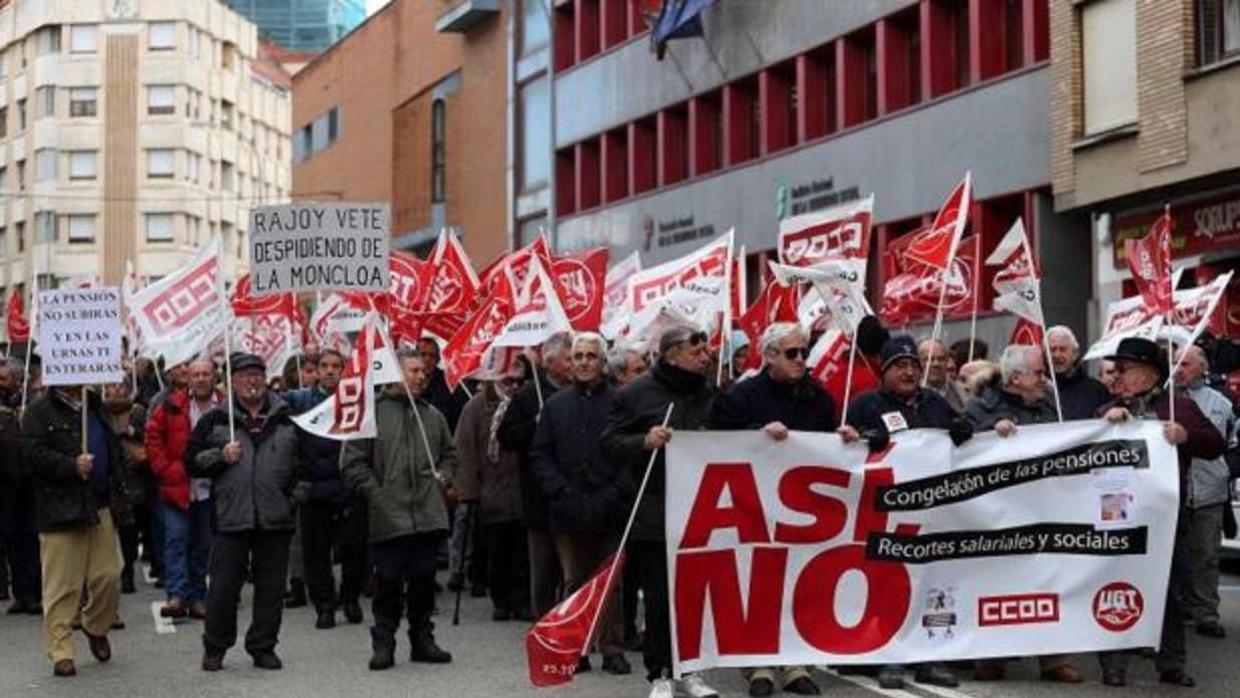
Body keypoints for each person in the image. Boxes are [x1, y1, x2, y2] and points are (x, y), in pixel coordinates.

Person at [709, 322, 834, 697]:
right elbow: (717, 441)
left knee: (798, 581)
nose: (802, 360)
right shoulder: (741, 396)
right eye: (793, 353)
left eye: (804, 352)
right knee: (757, 581)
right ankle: (758, 664)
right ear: (770, 356)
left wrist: (845, 438)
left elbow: (828, 446)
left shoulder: (820, 398)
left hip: (802, 507)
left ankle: (794, 662)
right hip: (752, 506)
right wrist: (756, 432)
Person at [1096, 337, 1225, 688]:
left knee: (1167, 592)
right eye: (1116, 369)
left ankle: (1171, 663)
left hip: (1165, 519)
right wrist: (1106, 423)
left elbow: (1214, 444)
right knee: (1116, 589)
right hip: (1118, 520)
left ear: (1150, 373)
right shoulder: (1108, 409)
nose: (1117, 376)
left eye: (1125, 369)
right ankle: (1114, 664)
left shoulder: (1178, 407)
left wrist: (1186, 436)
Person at [602, 324, 720, 698]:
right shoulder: (636, 393)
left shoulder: (709, 392)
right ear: (672, 354)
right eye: (696, 350)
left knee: (694, 595)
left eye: (706, 350)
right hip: (654, 510)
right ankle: (661, 673)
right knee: (658, 597)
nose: (705, 356)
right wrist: (644, 440)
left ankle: (693, 671)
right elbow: (609, 442)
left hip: (701, 508)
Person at [845, 335, 968, 690]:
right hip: (884, 512)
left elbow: (961, 438)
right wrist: (863, 438)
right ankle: (888, 655)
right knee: (889, 585)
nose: (909, 371)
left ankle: (930, 656)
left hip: (931, 513)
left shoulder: (934, 403)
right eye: (900, 366)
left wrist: (962, 431)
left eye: (914, 365)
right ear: (883, 372)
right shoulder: (866, 404)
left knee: (931, 584)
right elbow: (842, 446)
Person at [962, 345, 1084, 684]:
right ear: (1016, 378)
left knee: (1049, 581)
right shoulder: (979, 408)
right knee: (996, 584)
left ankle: (1054, 659)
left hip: (1043, 510)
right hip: (996, 514)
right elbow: (960, 447)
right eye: (1039, 374)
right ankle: (991, 656)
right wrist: (989, 429)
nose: (1045, 380)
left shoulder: (1049, 408)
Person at [341, 349, 456, 671]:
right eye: (414, 370)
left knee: (423, 580)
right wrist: (377, 494)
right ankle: (384, 642)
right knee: (388, 581)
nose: (421, 376)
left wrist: (442, 477)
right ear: (395, 372)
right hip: (388, 516)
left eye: (423, 371)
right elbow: (352, 463)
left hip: (428, 515)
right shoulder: (371, 415)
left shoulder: (432, 415)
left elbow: (450, 454)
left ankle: (422, 640)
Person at [187, 353, 301, 672]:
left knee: (271, 589)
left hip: (275, 517)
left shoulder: (286, 415)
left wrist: (292, 499)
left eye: (257, 375)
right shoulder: (216, 419)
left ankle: (263, 646)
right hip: (230, 517)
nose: (252, 381)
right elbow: (191, 462)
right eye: (245, 375)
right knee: (223, 588)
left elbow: (304, 464)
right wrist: (220, 456)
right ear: (232, 382)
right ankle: (215, 647)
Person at [531, 332, 633, 676]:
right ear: (570, 363)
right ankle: (578, 646)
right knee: (574, 581)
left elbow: (630, 457)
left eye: (592, 356)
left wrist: (613, 493)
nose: (585, 362)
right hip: (568, 507)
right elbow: (540, 455)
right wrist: (561, 491)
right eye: (579, 357)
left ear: (603, 363)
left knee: (611, 583)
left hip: (611, 506)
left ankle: (613, 648)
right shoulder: (556, 406)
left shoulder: (622, 403)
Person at [22, 384, 126, 677]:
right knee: (62, 585)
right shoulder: (38, 411)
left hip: (99, 504)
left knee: (108, 576)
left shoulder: (94, 405)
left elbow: (111, 448)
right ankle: (61, 649)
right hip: (60, 508)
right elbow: (30, 454)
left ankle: (95, 625)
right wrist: (70, 466)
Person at [287, 349, 368, 630]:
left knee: (355, 549)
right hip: (314, 487)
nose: (331, 371)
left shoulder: (356, 400)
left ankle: (350, 599)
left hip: (348, 486)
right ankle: (325, 605)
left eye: (337, 366)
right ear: (316, 370)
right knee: (316, 553)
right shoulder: (301, 401)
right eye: (325, 366)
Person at [498, 332, 573, 616]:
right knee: (542, 573)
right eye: (568, 358)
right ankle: (542, 623)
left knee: (573, 573)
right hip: (539, 499)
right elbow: (508, 437)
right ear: (550, 362)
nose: (573, 364)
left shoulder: (580, 392)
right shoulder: (529, 395)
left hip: (572, 499)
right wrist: (535, 425)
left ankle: (568, 625)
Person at [456, 359, 530, 621]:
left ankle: (520, 599)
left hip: (522, 489)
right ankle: (500, 599)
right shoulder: (476, 407)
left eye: (519, 382)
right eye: (508, 381)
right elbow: (465, 450)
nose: (514, 387)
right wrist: (468, 492)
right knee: (497, 550)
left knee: (522, 552)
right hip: (491, 490)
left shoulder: (525, 404)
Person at [147, 358, 219, 621]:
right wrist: (165, 469)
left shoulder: (223, 406)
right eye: (195, 374)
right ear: (188, 378)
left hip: (209, 488)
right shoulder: (172, 404)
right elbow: (152, 436)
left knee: (203, 545)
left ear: (214, 377)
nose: (200, 379)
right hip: (177, 485)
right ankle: (176, 595)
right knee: (176, 540)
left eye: (205, 374)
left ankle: (198, 596)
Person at [1173, 344, 1233, 639]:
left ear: (1202, 367)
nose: (1179, 370)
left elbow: (1231, 443)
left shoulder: (1221, 403)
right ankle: (1179, 608)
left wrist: (1227, 472)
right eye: (1175, 364)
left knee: (1206, 554)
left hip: (1209, 490)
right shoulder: (1166, 401)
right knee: (1177, 554)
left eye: (1185, 364)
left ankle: (1206, 612)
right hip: (1175, 490)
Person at [0, 358, 40, 616]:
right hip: (5, 486)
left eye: (4, 378)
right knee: (11, 538)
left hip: (31, 483)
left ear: (17, 380)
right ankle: (21, 593)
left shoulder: (31, 406)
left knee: (32, 538)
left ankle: (35, 592)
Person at [101, 381, 148, 595]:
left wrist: (131, 432)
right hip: (107, 479)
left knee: (129, 529)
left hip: (132, 479)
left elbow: (148, 438)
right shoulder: (97, 411)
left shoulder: (137, 412)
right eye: (112, 385)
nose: (117, 389)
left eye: (121, 385)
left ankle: (127, 570)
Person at [1045, 326, 1111, 419]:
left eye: (1062, 349)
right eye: (1052, 350)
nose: (1057, 355)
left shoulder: (1096, 391)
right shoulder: (1037, 390)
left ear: (1075, 354)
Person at [418, 337, 470, 433]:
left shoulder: (449, 383)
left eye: (432, 355)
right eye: (423, 354)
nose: (427, 359)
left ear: (438, 359)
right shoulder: (406, 383)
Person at [918, 338, 967, 414]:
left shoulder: (963, 392)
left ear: (947, 361)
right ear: (918, 362)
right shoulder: (911, 393)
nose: (936, 364)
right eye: (929, 359)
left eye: (941, 359)